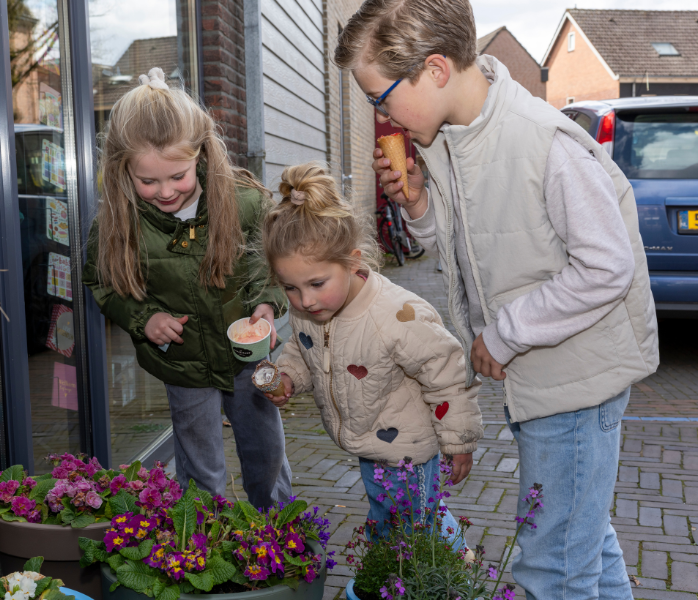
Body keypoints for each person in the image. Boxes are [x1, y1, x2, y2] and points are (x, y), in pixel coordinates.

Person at [334, 1, 659, 598]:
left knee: (551, 565)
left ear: (433, 70)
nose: (380, 116)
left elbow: (607, 267)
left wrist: (504, 334)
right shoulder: (456, 140)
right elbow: (464, 246)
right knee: (583, 543)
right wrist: (418, 209)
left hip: (576, 387)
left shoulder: (543, 143)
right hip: (543, 383)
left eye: (380, 98)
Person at [82, 67, 292, 509]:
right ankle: (202, 548)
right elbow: (102, 281)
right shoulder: (118, 223)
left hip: (247, 359)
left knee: (266, 452)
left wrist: (267, 309)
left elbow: (269, 267)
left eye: (178, 176)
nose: (165, 192)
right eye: (148, 181)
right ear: (123, 170)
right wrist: (145, 320)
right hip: (183, 364)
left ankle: (281, 535)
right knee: (199, 468)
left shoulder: (245, 201)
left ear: (200, 154)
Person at [260, 162, 483, 548]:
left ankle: (441, 579)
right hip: (371, 445)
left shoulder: (395, 315)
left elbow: (448, 370)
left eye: (316, 283)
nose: (304, 300)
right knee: (401, 521)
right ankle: (436, 571)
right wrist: (288, 377)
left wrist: (459, 440)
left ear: (353, 261)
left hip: (409, 451)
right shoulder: (310, 312)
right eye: (290, 288)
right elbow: (304, 348)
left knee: (407, 531)